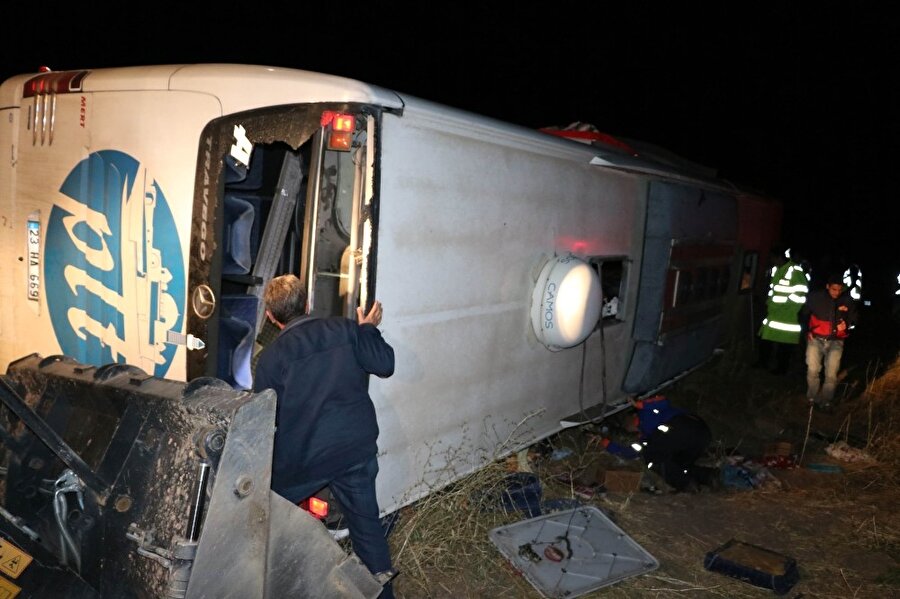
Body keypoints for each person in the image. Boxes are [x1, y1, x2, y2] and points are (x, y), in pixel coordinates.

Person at [253, 274, 397, 597]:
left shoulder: (271, 360)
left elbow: (263, 421)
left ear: (272, 318)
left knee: (264, 511)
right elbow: (385, 363)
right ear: (307, 304)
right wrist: (366, 330)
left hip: (306, 459)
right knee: (368, 533)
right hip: (354, 451)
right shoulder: (347, 330)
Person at [593, 395, 715, 492]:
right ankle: (709, 477)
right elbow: (632, 452)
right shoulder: (646, 437)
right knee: (678, 465)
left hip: (683, 426)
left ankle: (686, 484)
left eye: (626, 423)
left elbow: (662, 401)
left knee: (653, 458)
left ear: (632, 416)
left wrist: (640, 404)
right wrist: (604, 443)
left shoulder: (646, 412)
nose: (627, 428)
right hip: (701, 437)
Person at [801, 274, 859, 410]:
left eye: (839, 290)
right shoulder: (815, 298)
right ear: (828, 287)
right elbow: (803, 315)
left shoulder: (847, 301)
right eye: (834, 289)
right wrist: (806, 332)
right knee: (813, 370)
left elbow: (855, 319)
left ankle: (826, 400)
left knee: (831, 373)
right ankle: (812, 398)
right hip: (815, 339)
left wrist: (848, 324)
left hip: (836, 342)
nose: (837, 293)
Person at [754, 245, 809, 374]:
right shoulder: (777, 269)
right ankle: (763, 363)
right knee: (765, 340)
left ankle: (780, 369)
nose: (771, 260)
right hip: (774, 314)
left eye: (772, 257)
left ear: (778, 257)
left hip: (787, 316)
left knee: (785, 346)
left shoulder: (794, 271)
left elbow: (801, 293)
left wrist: (787, 307)